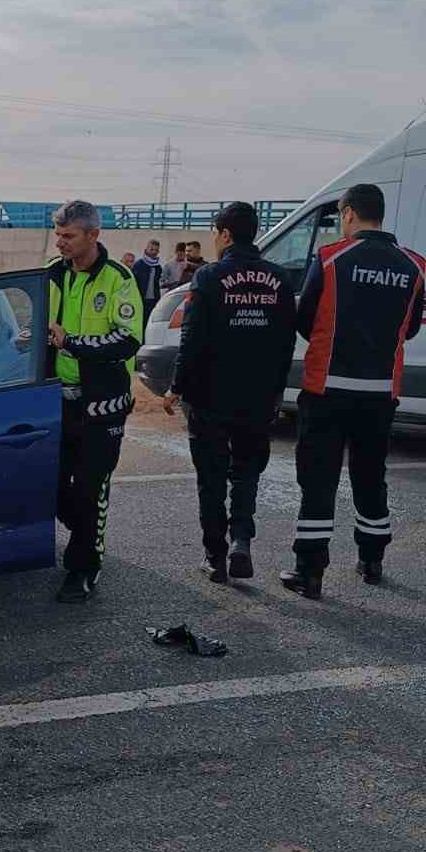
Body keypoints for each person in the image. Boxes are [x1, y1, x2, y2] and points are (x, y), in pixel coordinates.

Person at [280, 182, 425, 598]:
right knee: (370, 475)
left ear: (347, 214)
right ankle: (372, 559)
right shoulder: (415, 266)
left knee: (318, 478)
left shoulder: (329, 258)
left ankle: (309, 570)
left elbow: (304, 317)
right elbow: (411, 326)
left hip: (326, 388)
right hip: (380, 392)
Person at [162, 202, 296, 581]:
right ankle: (241, 539)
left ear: (224, 234)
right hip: (256, 396)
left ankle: (215, 556)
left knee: (211, 477)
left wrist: (176, 386)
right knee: (246, 472)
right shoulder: (280, 278)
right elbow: (286, 342)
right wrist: (275, 392)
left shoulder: (208, 277)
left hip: (209, 396)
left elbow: (191, 339)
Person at [47, 200, 144, 603]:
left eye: (68, 236)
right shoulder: (51, 274)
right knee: (49, 485)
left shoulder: (119, 279)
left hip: (101, 406)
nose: (60, 242)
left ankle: (84, 566)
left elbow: (127, 340)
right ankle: (84, 532)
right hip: (54, 401)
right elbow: (36, 324)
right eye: (58, 234)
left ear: (93, 235)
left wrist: (71, 343)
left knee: (91, 489)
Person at [131, 239, 164, 329]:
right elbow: (133, 283)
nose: (153, 252)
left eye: (156, 250)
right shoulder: (139, 264)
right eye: (151, 249)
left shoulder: (158, 267)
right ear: (146, 250)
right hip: (140, 300)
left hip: (153, 301)